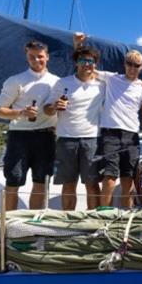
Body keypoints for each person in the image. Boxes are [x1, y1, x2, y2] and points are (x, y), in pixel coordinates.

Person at [74, 33, 142, 209]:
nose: (132, 68)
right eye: (129, 64)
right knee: (110, 178)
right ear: (124, 64)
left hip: (132, 136)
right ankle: (104, 216)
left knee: (128, 180)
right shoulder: (112, 78)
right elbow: (87, 66)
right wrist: (78, 46)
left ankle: (124, 219)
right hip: (110, 134)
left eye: (136, 65)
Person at [0, 40, 59, 210]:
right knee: (13, 181)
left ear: (47, 57)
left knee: (41, 183)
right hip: (19, 136)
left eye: (40, 56)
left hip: (46, 136)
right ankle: (7, 226)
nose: (36, 60)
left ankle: (33, 227)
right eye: (32, 57)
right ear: (26, 57)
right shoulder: (15, 81)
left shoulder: (58, 83)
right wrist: (21, 112)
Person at [44, 46, 104, 210]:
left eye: (90, 61)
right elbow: (46, 108)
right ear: (76, 63)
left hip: (92, 139)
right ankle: (68, 223)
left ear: (95, 64)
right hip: (66, 140)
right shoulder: (63, 83)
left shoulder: (102, 85)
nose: (87, 64)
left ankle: (94, 222)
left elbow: (125, 81)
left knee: (92, 185)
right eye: (82, 60)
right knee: (69, 185)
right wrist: (55, 106)